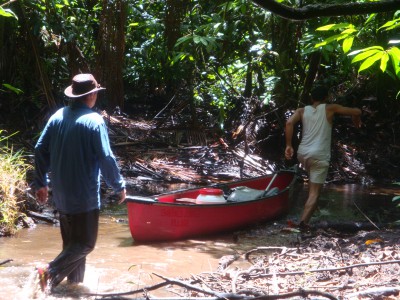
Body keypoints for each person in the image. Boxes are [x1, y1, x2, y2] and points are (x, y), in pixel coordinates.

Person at [34, 73, 126, 292]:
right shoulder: (95, 121)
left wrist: (41, 182)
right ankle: (48, 272)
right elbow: (106, 157)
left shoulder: (58, 116)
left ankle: (72, 290)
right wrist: (119, 185)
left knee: (73, 248)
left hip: (62, 196)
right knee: (85, 244)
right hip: (84, 197)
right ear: (92, 94)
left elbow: (39, 148)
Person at [284, 85, 361, 229]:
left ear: (312, 98)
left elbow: (289, 123)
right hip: (319, 155)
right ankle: (301, 225)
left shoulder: (301, 111)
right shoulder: (330, 108)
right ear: (326, 97)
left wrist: (289, 145)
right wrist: (357, 119)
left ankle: (308, 216)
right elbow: (356, 111)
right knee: (314, 193)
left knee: (313, 186)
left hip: (303, 154)